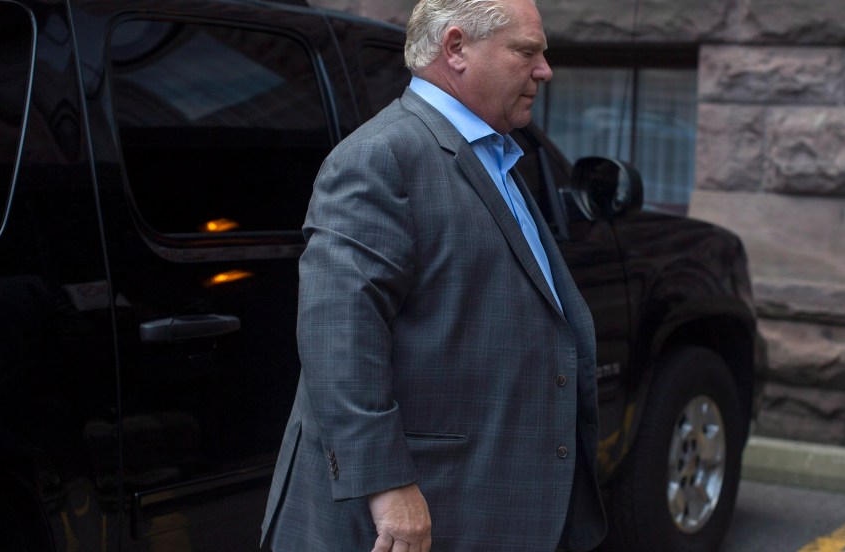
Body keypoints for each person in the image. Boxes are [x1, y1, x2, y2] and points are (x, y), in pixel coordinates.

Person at [260, 0, 608, 550]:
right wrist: (386, 484)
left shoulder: (493, 153)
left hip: (484, 502)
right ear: (456, 48)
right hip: (412, 513)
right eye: (526, 52)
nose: (544, 70)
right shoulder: (380, 156)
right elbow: (338, 334)